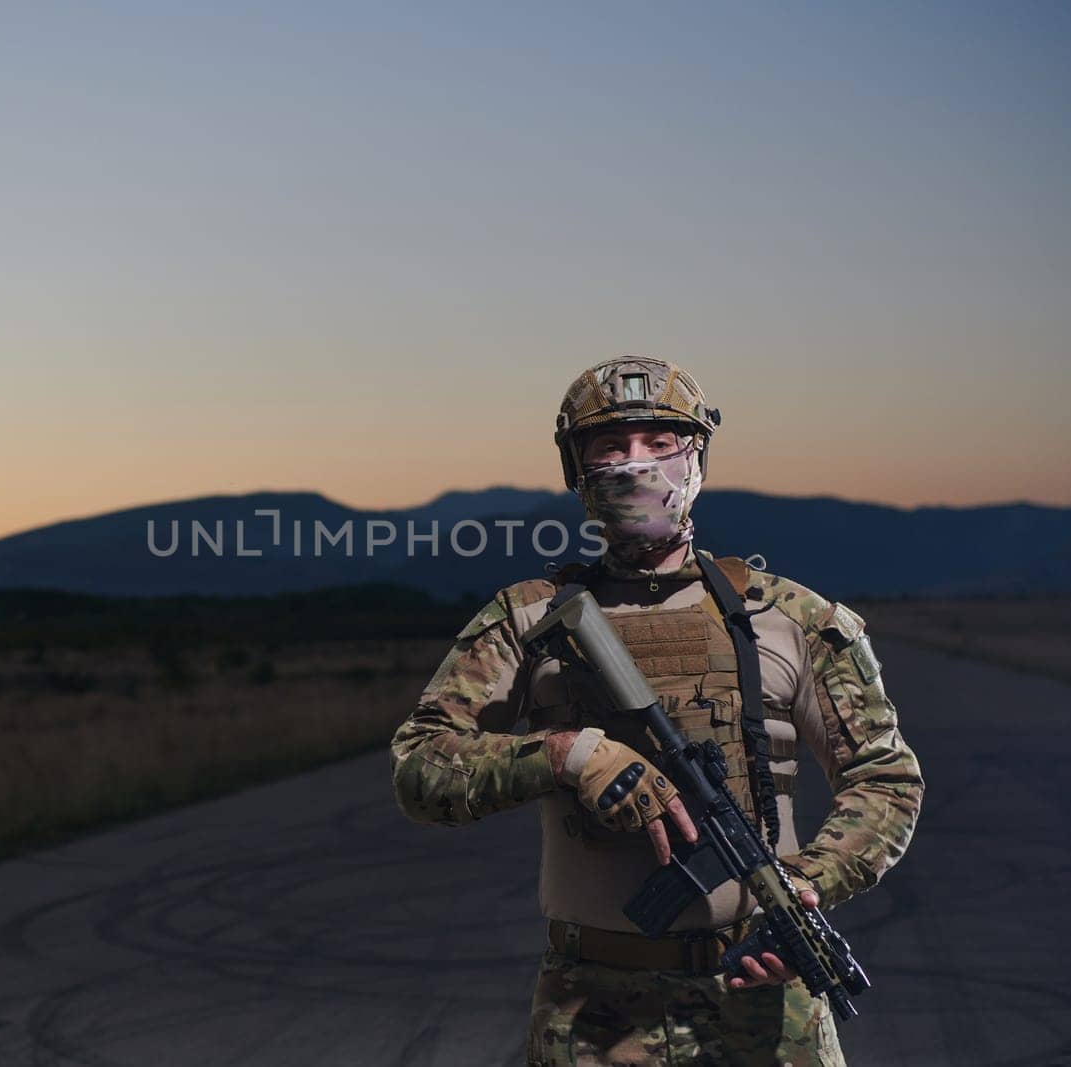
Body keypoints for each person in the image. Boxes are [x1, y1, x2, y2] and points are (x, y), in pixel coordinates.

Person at [389, 357, 924, 1066]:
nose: (635, 463)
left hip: (766, 1001)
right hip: (593, 1009)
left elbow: (886, 778)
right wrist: (568, 755)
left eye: (659, 441)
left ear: (696, 456)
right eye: (609, 445)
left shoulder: (791, 616)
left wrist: (808, 886)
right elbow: (420, 766)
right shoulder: (527, 618)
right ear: (576, 469)